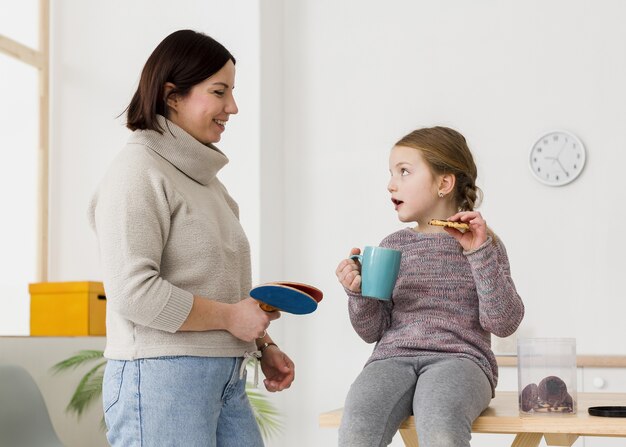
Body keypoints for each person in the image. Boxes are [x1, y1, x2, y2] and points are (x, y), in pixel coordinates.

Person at [88, 29, 294, 447]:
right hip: (160, 378)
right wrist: (232, 319)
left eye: (232, 92)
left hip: (224, 377)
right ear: (172, 95)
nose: (232, 107)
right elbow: (133, 292)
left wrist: (261, 342)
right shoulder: (137, 173)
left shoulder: (209, 185)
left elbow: (222, 289)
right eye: (219, 92)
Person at [335, 126, 524, 446]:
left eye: (404, 172)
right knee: (358, 421)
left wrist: (478, 253)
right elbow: (372, 330)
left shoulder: (483, 244)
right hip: (392, 357)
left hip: (461, 359)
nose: (391, 183)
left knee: (439, 419)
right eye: (391, 173)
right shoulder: (392, 245)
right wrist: (358, 292)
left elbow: (504, 323)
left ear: (444, 183)